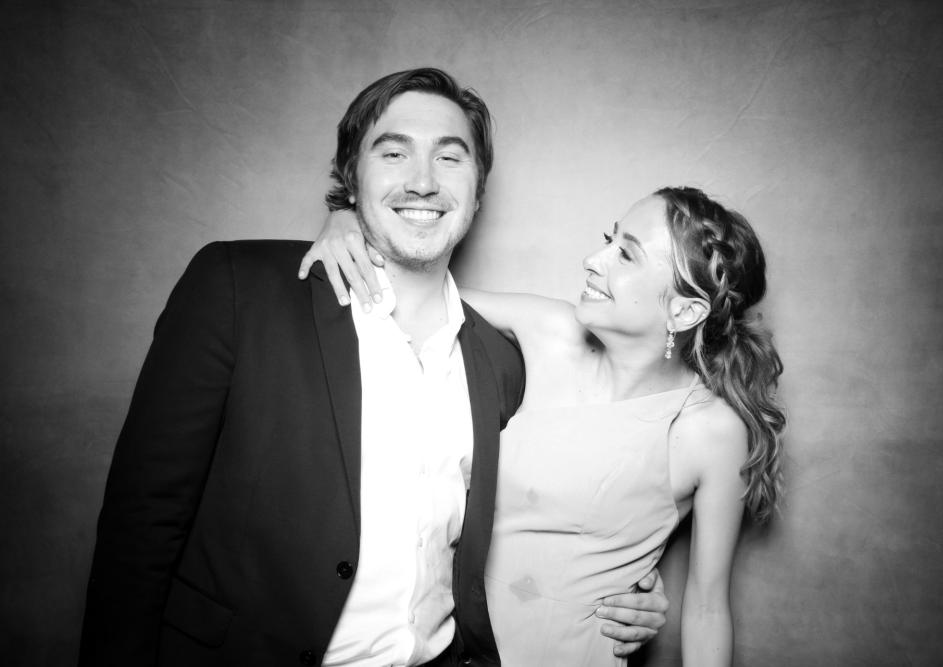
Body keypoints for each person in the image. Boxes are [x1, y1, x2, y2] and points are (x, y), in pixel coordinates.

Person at [79, 68, 666, 666]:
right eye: (393, 153)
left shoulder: (503, 365)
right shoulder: (237, 290)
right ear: (351, 180)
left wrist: (623, 584)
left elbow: (534, 524)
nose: (423, 182)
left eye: (450, 158)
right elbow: (142, 523)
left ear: (477, 191)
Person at [301, 185, 785, 666]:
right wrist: (348, 223)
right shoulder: (550, 330)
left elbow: (706, 608)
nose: (593, 260)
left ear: (685, 311)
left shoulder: (712, 432)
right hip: (454, 650)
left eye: (627, 255)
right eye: (610, 239)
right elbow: (406, 298)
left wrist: (648, 596)